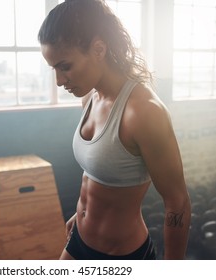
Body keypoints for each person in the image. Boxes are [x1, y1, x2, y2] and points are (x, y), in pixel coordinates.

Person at [38, 0, 191, 260]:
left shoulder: (144, 112)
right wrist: (83, 213)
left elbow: (177, 202)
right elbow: (100, 171)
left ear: (98, 49)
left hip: (121, 255)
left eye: (65, 66)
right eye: (54, 68)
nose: (59, 81)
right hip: (79, 239)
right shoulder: (89, 97)